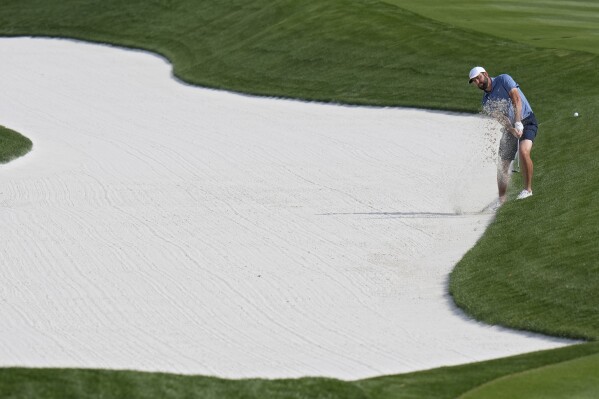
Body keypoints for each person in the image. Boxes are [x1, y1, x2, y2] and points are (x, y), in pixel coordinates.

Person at [468, 66, 538, 204]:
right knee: (502, 164)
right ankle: (501, 200)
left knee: (524, 151)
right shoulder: (486, 101)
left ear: (486, 74)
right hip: (511, 127)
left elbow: (516, 99)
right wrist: (512, 129)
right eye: (474, 81)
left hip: (527, 120)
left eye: (478, 77)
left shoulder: (504, 79)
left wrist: (518, 121)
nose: (477, 82)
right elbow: (501, 119)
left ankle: (528, 190)